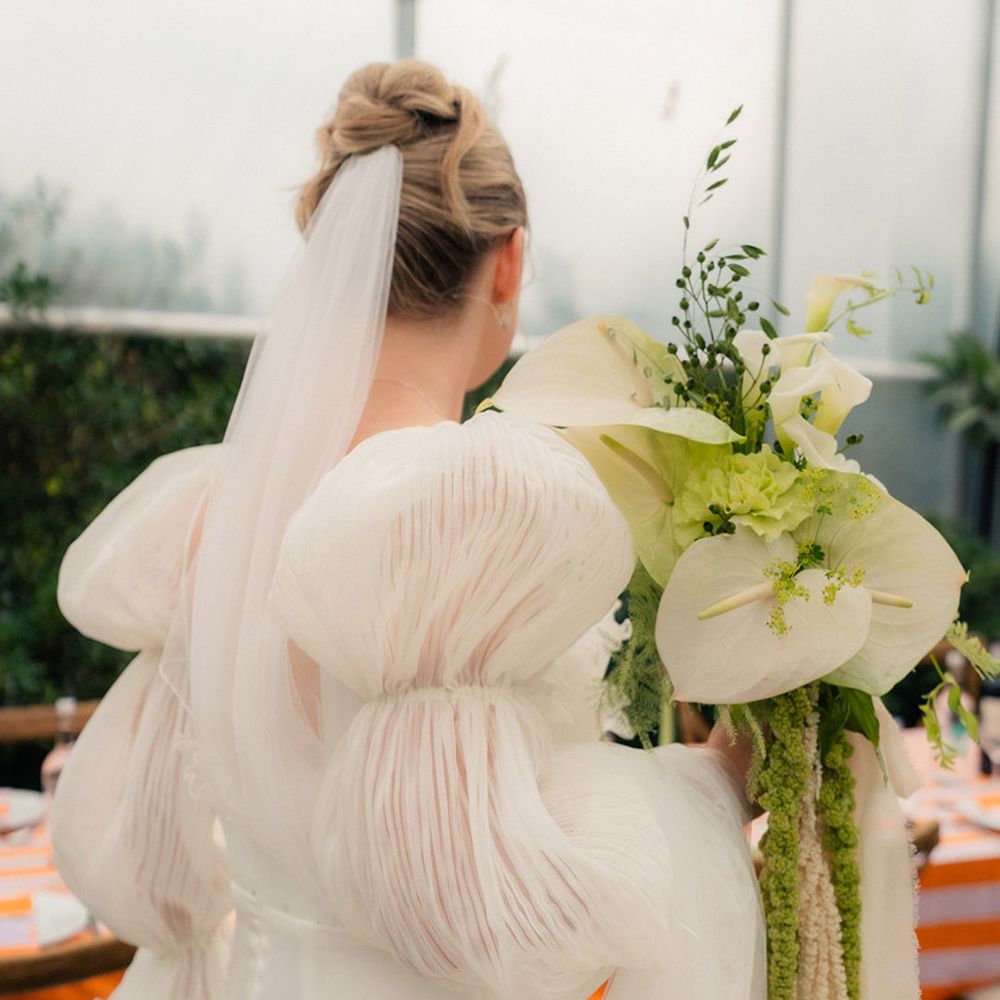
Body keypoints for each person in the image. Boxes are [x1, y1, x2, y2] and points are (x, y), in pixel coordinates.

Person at [51, 61, 765, 1000]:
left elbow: (151, 860)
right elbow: (486, 921)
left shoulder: (213, 513)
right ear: (508, 261)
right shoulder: (459, 508)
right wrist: (714, 785)